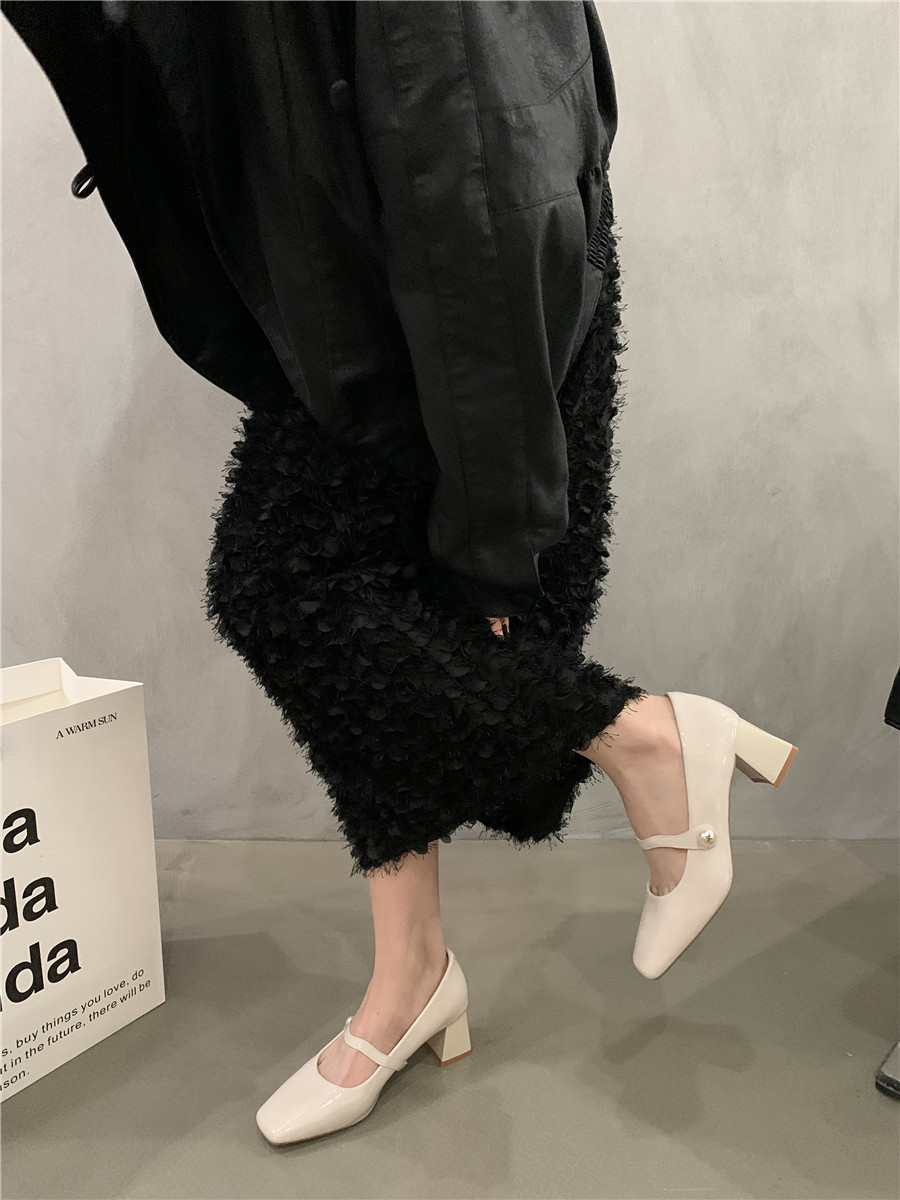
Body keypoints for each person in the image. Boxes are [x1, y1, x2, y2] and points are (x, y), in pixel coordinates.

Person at [3, 0, 798, 1145]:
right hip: (362, 279)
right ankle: (412, 974)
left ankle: (648, 740)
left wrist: (497, 541)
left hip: (477, 305)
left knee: (288, 587)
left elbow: (487, 174)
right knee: (363, 610)